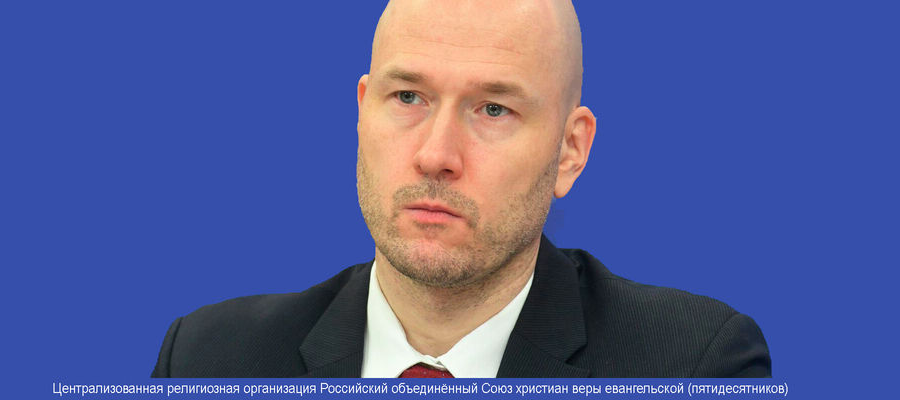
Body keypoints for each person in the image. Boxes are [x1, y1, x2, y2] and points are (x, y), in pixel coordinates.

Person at [152, 0, 770, 378]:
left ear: (570, 150)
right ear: (362, 112)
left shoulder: (691, 363)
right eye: (408, 97)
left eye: (493, 109)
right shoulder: (208, 360)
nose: (436, 156)